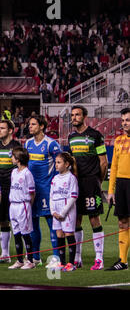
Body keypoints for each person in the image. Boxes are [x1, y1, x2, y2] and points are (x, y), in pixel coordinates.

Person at [68, 106, 108, 270]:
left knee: (93, 218)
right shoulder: (71, 138)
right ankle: (77, 258)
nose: (74, 117)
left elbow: (103, 162)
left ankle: (99, 259)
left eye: (77, 115)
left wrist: (98, 180)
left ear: (85, 116)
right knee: (76, 218)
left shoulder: (95, 135)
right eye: (72, 115)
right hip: (76, 182)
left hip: (92, 182)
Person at [25, 115, 61, 266]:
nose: (30, 127)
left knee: (52, 224)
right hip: (32, 190)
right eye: (29, 124)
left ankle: (56, 258)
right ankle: (35, 257)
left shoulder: (51, 144)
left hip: (47, 189)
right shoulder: (27, 143)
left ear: (41, 126)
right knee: (32, 224)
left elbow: (61, 164)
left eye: (33, 124)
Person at [106, 107, 130, 271]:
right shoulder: (119, 140)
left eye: (127, 120)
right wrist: (110, 190)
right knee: (122, 222)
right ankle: (122, 260)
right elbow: (113, 166)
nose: (124, 123)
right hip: (121, 185)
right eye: (122, 121)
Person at [0, 120, 21, 263]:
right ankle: (5, 254)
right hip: (2, 187)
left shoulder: (17, 147)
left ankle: (24, 254)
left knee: (17, 221)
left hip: (15, 188)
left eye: (2, 128)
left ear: (11, 130)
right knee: (3, 220)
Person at [49, 152, 79, 272]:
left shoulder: (71, 178)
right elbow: (51, 196)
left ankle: (71, 263)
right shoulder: (55, 178)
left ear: (67, 164)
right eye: (55, 162)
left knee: (68, 234)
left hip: (67, 211)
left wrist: (63, 212)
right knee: (59, 235)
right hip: (56, 211)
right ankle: (62, 262)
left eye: (59, 162)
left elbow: (73, 196)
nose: (56, 165)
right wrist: (53, 211)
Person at [8, 147, 36, 270]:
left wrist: (29, 205)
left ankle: (30, 260)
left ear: (18, 159)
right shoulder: (14, 172)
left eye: (13, 156)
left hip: (23, 205)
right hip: (13, 205)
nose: (11, 158)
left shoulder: (27, 173)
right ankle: (19, 260)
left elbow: (32, 192)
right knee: (16, 233)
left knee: (25, 233)